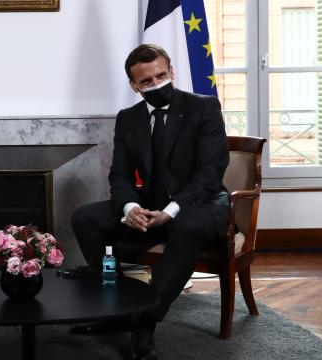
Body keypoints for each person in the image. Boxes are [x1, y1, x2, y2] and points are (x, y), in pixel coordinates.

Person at [70, 44, 230, 360]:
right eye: (147, 81)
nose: (156, 84)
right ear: (134, 85)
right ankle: (116, 310)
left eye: (161, 75)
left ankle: (145, 322)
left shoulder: (204, 107)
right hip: (151, 205)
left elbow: (211, 173)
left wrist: (170, 211)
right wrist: (130, 208)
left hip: (202, 206)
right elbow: (120, 176)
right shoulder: (129, 118)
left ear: (172, 72)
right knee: (85, 218)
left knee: (185, 226)